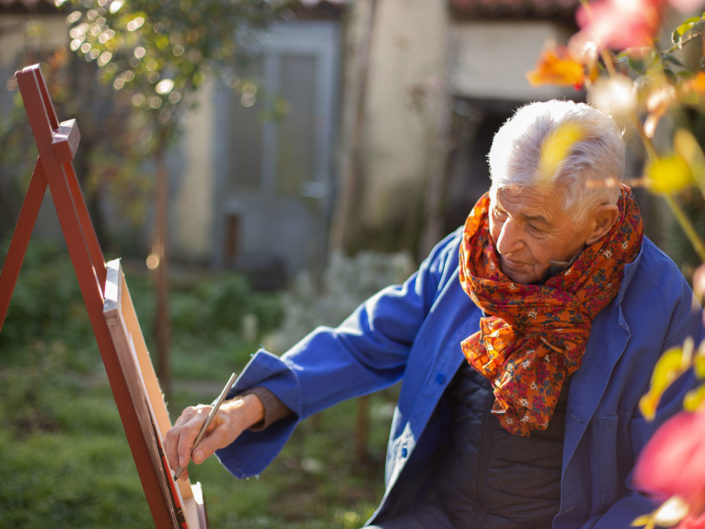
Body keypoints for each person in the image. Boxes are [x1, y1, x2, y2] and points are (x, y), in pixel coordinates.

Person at [165, 100, 704, 528]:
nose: (506, 241)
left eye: (535, 224)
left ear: (599, 222)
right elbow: (364, 343)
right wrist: (250, 407)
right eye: (500, 208)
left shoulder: (663, 307)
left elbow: (666, 489)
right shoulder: (467, 256)